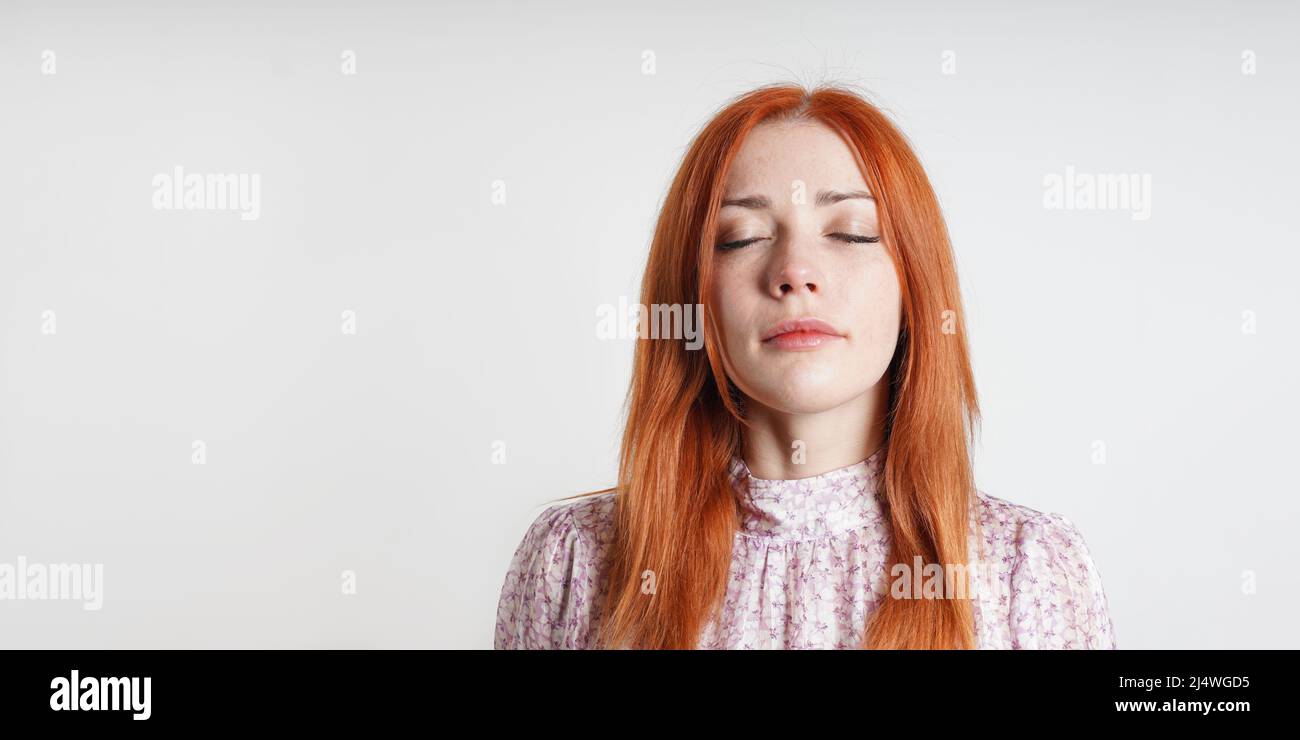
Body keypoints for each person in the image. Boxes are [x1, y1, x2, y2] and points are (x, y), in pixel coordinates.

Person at [495, 82, 1116, 650]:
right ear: (691, 297)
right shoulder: (575, 558)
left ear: (914, 290)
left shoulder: (1028, 569)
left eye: (849, 233)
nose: (795, 271)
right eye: (741, 237)